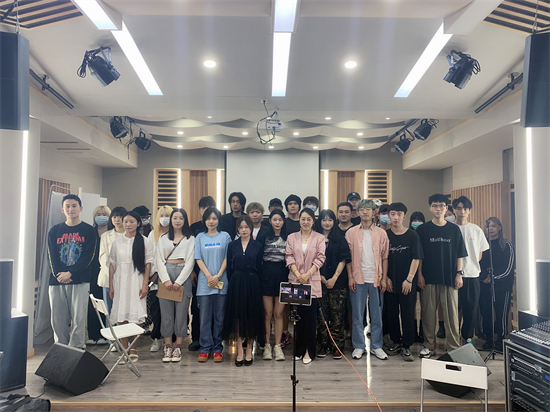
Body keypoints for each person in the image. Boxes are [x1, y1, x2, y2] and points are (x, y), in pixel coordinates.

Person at [416, 194, 467, 358]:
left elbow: (460, 254)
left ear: (446, 208)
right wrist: (419, 275)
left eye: (441, 206)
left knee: (452, 315)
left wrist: (459, 274)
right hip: (428, 278)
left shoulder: (454, 229)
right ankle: (429, 346)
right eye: (435, 205)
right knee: (428, 314)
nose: (438, 209)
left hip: (450, 278)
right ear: (430, 208)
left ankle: (453, 348)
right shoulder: (422, 230)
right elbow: (418, 256)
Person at [48, 194, 97, 350]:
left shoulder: (89, 230)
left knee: (78, 318)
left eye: (74, 206)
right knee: (58, 319)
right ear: (62, 210)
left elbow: (88, 257)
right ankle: (61, 348)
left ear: (80, 208)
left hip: (80, 280)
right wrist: (60, 275)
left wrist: (71, 273)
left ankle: (76, 348)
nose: (71, 209)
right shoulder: (54, 230)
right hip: (57, 281)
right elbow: (51, 256)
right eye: (67, 206)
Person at [345, 199, 389, 361]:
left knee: (377, 315)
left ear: (373, 212)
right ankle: (359, 346)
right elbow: (348, 258)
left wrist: (384, 278)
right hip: (358, 278)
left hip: (376, 278)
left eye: (368, 209)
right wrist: (350, 277)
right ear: (357, 212)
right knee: (357, 315)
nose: (365, 212)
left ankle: (377, 346)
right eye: (362, 209)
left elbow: (385, 257)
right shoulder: (350, 233)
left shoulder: (381, 233)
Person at [108, 211, 153, 361]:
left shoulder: (145, 241)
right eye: (126, 221)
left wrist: (145, 284)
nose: (128, 224)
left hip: (137, 281)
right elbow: (112, 264)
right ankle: (124, 350)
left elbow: (148, 264)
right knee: (121, 314)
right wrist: (111, 285)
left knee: (136, 315)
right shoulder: (117, 242)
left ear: (138, 223)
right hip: (120, 281)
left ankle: (133, 349)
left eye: (131, 221)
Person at [223, 216, 265, 366]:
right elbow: (229, 268)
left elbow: (259, 266)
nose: (244, 230)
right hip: (236, 282)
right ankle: (239, 350)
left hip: (253, 282)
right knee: (237, 317)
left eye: (246, 227)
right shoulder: (232, 245)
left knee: (251, 315)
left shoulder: (258, 245)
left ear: (251, 228)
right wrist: (235, 280)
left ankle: (249, 349)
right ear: (237, 229)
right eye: (241, 227)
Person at [285, 208, 326, 364]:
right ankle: (299, 350)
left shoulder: (319, 238)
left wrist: (308, 274)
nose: (306, 222)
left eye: (309, 219)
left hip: (311, 281)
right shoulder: (291, 237)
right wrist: (298, 274)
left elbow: (321, 258)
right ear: (299, 220)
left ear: (313, 221)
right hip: (296, 281)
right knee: (297, 318)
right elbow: (288, 256)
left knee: (310, 319)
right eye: (303, 219)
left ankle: (309, 351)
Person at [384, 202, 423, 362]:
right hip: (390, 282)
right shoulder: (384, 235)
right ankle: (396, 341)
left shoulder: (412, 235)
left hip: (407, 282)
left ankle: (407, 345)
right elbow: (381, 258)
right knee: (391, 313)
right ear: (389, 216)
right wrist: (385, 278)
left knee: (407, 314)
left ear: (404, 216)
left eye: (399, 214)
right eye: (393, 214)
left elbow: (416, 257)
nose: (396, 217)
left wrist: (409, 279)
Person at [156, 208, 195, 363]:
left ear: (185, 221)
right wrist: (166, 279)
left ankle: (178, 347)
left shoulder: (191, 239)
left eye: (181, 218)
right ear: (171, 220)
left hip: (182, 273)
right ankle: (167, 346)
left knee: (181, 313)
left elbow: (191, 261)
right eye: (175, 218)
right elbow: (158, 260)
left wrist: (179, 281)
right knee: (166, 313)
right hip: (165, 273)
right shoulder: (163, 238)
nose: (178, 221)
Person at [195, 207, 231, 363]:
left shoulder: (225, 236)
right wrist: (209, 276)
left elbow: (227, 258)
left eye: (214, 218)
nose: (211, 221)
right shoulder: (199, 237)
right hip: (205, 283)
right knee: (204, 318)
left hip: (221, 282)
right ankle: (205, 349)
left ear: (218, 220)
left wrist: (218, 275)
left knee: (219, 318)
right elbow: (198, 258)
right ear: (204, 220)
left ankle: (217, 349)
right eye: (208, 218)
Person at [452, 196, 489, 344]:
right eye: (459, 208)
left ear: (469, 211)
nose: (462, 212)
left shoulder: (476, 229)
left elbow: (480, 253)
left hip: (472, 275)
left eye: (465, 209)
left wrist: (469, 265)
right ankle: (453, 339)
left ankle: (467, 338)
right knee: (453, 310)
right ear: (454, 210)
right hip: (452, 275)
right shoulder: (450, 228)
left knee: (471, 309)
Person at [316, 209, 350, 360]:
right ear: (320, 221)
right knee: (322, 316)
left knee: (337, 317)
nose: (327, 223)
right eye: (324, 219)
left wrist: (334, 278)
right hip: (319, 282)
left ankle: (337, 346)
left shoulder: (340, 239)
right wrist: (320, 276)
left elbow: (343, 260)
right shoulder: (315, 238)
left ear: (334, 221)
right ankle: (322, 345)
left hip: (338, 283)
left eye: (330, 220)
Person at [479, 217, 515, 352]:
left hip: (502, 286)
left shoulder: (507, 245)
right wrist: (483, 277)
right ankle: (488, 338)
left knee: (501, 313)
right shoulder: (482, 245)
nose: (491, 229)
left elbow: (508, 266)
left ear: (499, 227)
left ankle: (500, 338)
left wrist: (494, 277)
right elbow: (478, 263)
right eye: (488, 226)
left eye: (494, 226)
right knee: (485, 312)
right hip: (485, 284)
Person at [257, 209, 288, 361]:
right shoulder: (263, 236)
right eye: (274, 219)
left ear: (283, 221)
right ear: (269, 221)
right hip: (266, 276)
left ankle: (278, 346)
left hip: (283, 276)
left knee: (278, 314)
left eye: (280, 219)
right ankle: (267, 346)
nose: (277, 222)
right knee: (267, 314)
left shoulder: (289, 237)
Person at [189, 196, 216, 351]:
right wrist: (192, 270)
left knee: (214, 308)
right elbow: (190, 251)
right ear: (199, 209)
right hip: (198, 273)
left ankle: (213, 339)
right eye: (203, 207)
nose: (206, 210)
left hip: (216, 273)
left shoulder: (220, 227)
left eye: (209, 206)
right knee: (197, 307)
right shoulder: (194, 227)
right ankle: (196, 338)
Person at [146, 205, 173, 352]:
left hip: (172, 277)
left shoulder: (177, 234)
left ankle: (170, 339)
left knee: (170, 311)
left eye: (167, 215)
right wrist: (152, 274)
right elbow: (150, 256)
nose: (164, 218)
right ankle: (156, 338)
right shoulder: (152, 235)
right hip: (156, 279)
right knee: (156, 310)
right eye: (162, 215)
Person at [87, 205, 111, 346]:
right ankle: (93, 334)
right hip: (92, 272)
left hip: (108, 272)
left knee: (106, 304)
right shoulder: (90, 232)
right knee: (93, 304)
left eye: (104, 214)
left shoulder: (112, 233)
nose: (101, 216)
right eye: (98, 214)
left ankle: (106, 334)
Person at [97, 207, 127, 315]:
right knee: (109, 312)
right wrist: (113, 276)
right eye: (114, 217)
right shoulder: (105, 236)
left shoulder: (132, 235)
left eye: (120, 217)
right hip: (108, 278)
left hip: (126, 278)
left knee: (124, 311)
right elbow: (103, 258)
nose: (117, 220)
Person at [409, 211, 426, 343]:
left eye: (419, 220)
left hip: (426, 273)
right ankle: (414, 331)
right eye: (414, 220)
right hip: (412, 273)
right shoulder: (410, 235)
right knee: (413, 304)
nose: (417, 222)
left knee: (425, 304)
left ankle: (424, 332)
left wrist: (421, 273)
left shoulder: (426, 234)